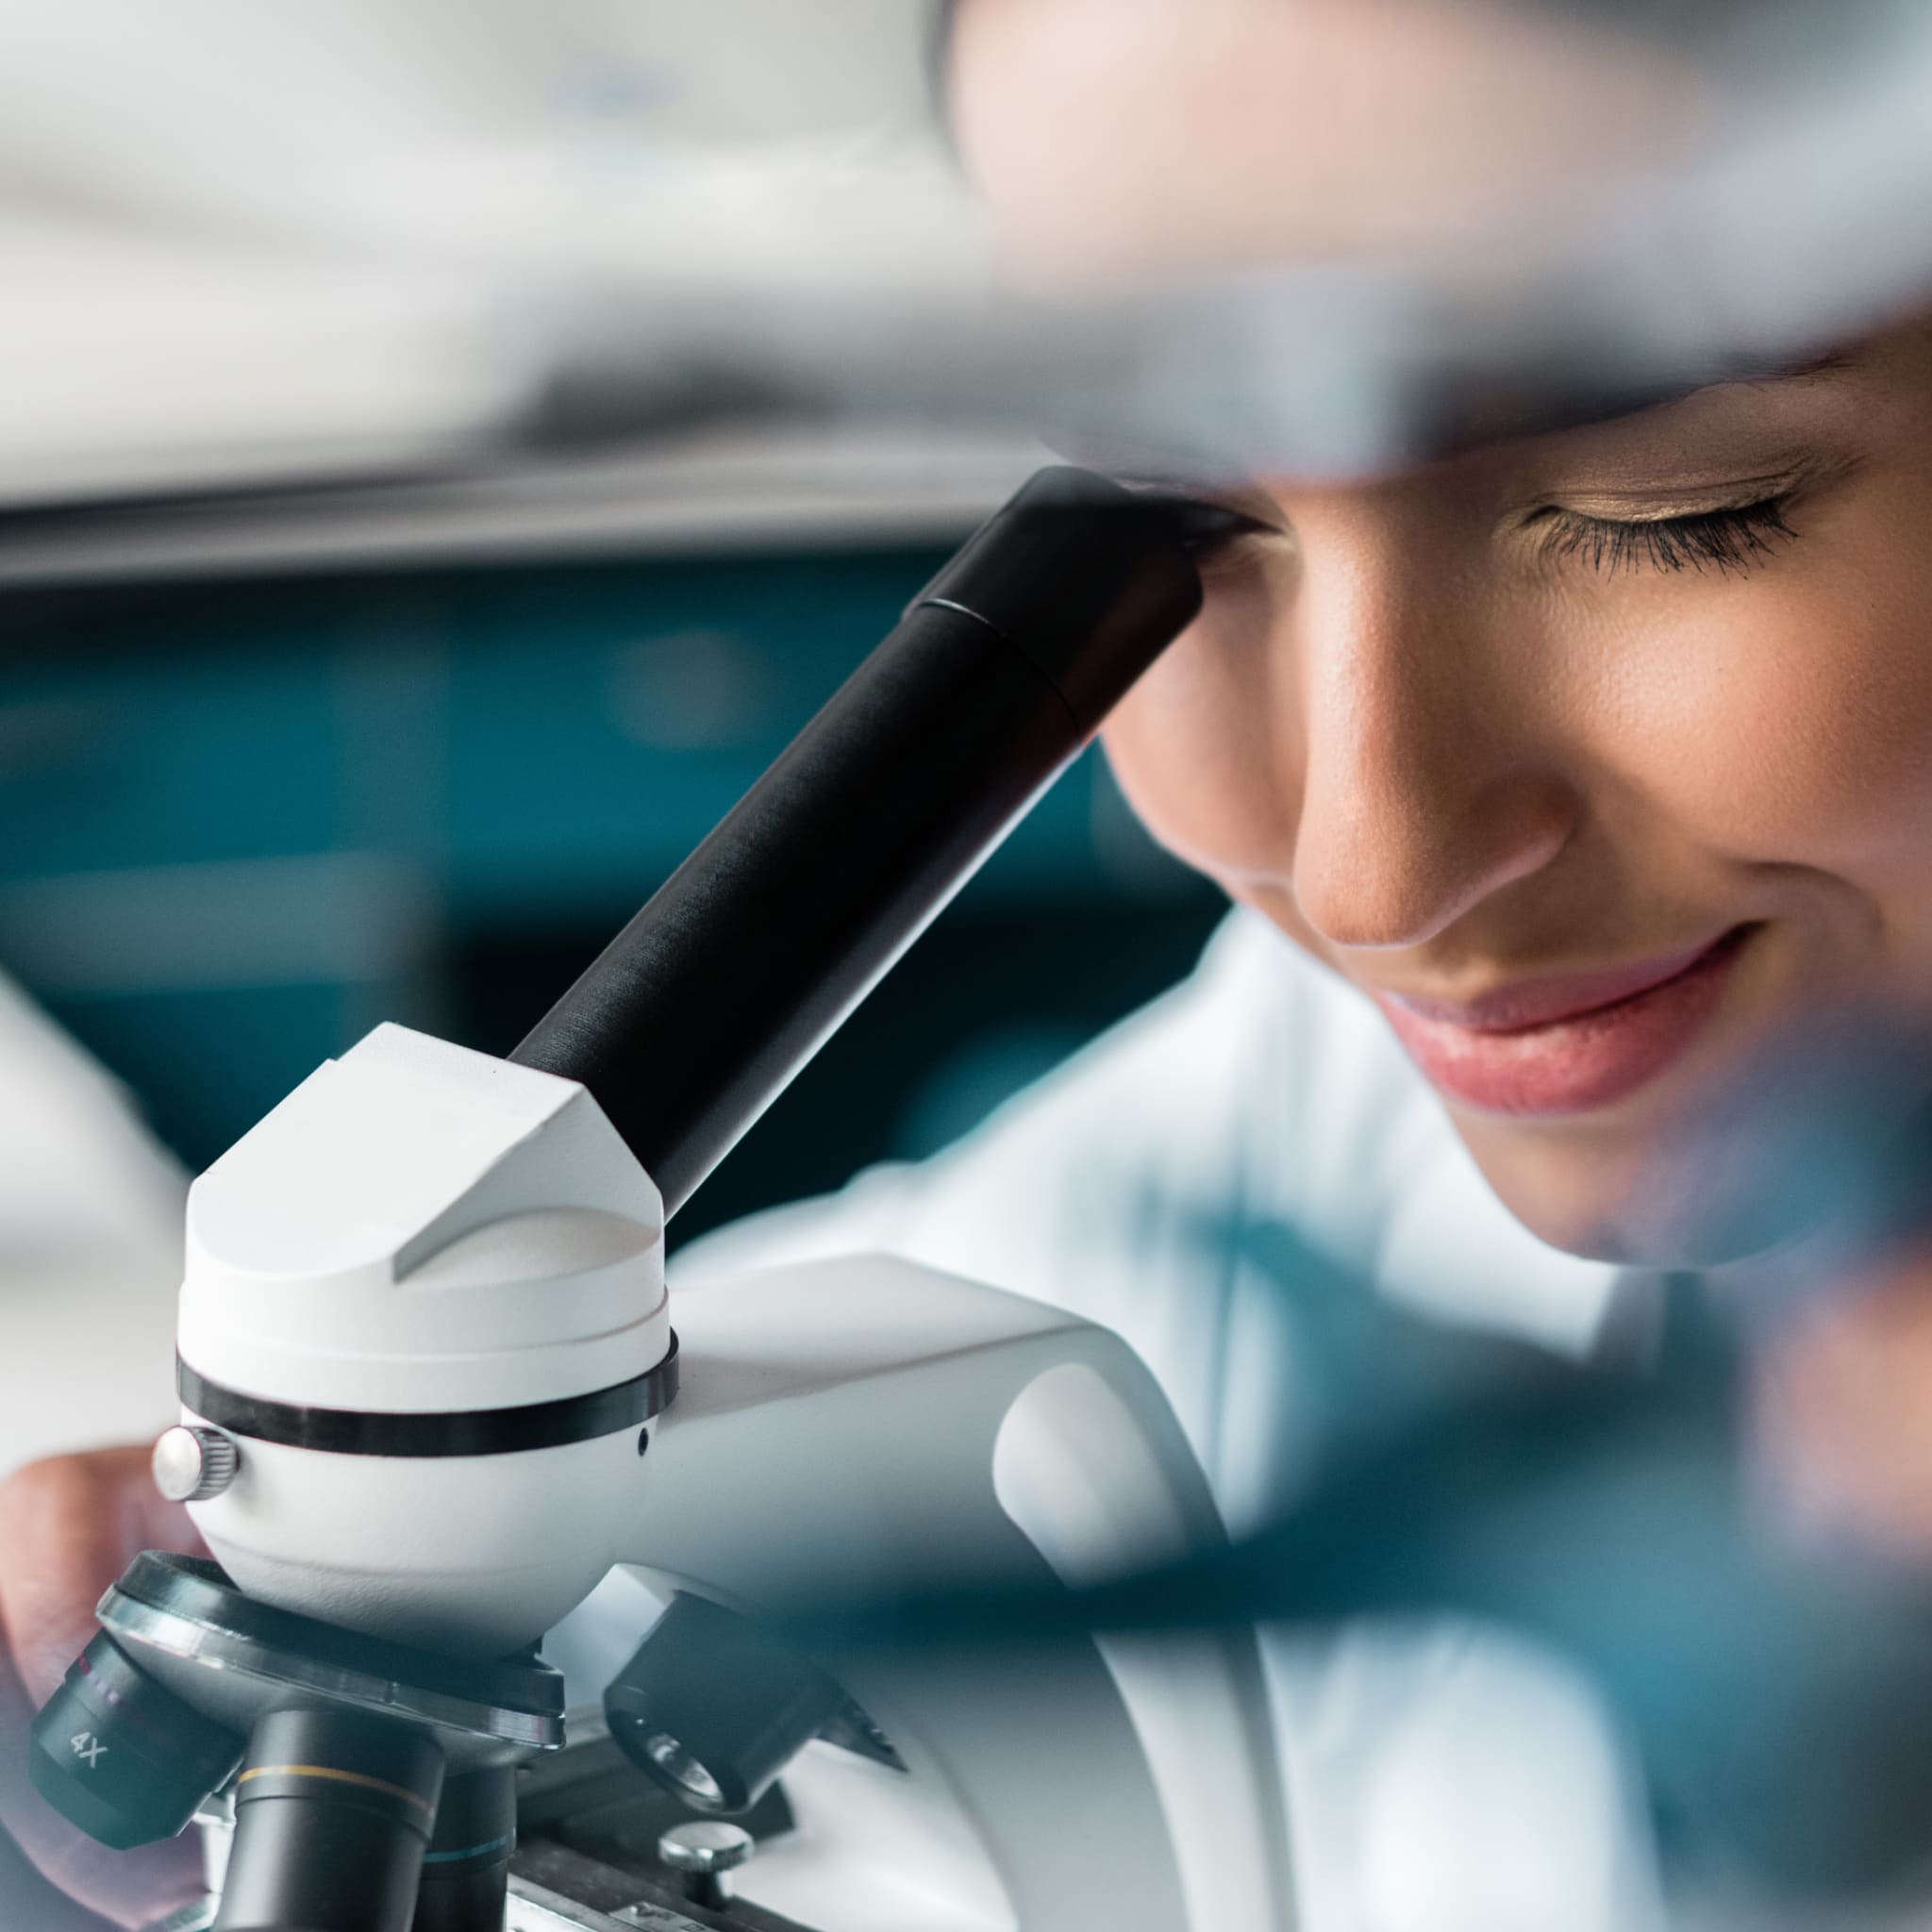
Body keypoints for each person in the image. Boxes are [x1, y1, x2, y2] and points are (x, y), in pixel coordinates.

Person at [10, 3, 1932, 1925]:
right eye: (1181, 517)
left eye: (1678, 518)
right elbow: (822, 1414)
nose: (1376, 874)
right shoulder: (1341, 1113)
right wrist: (243, 1554)